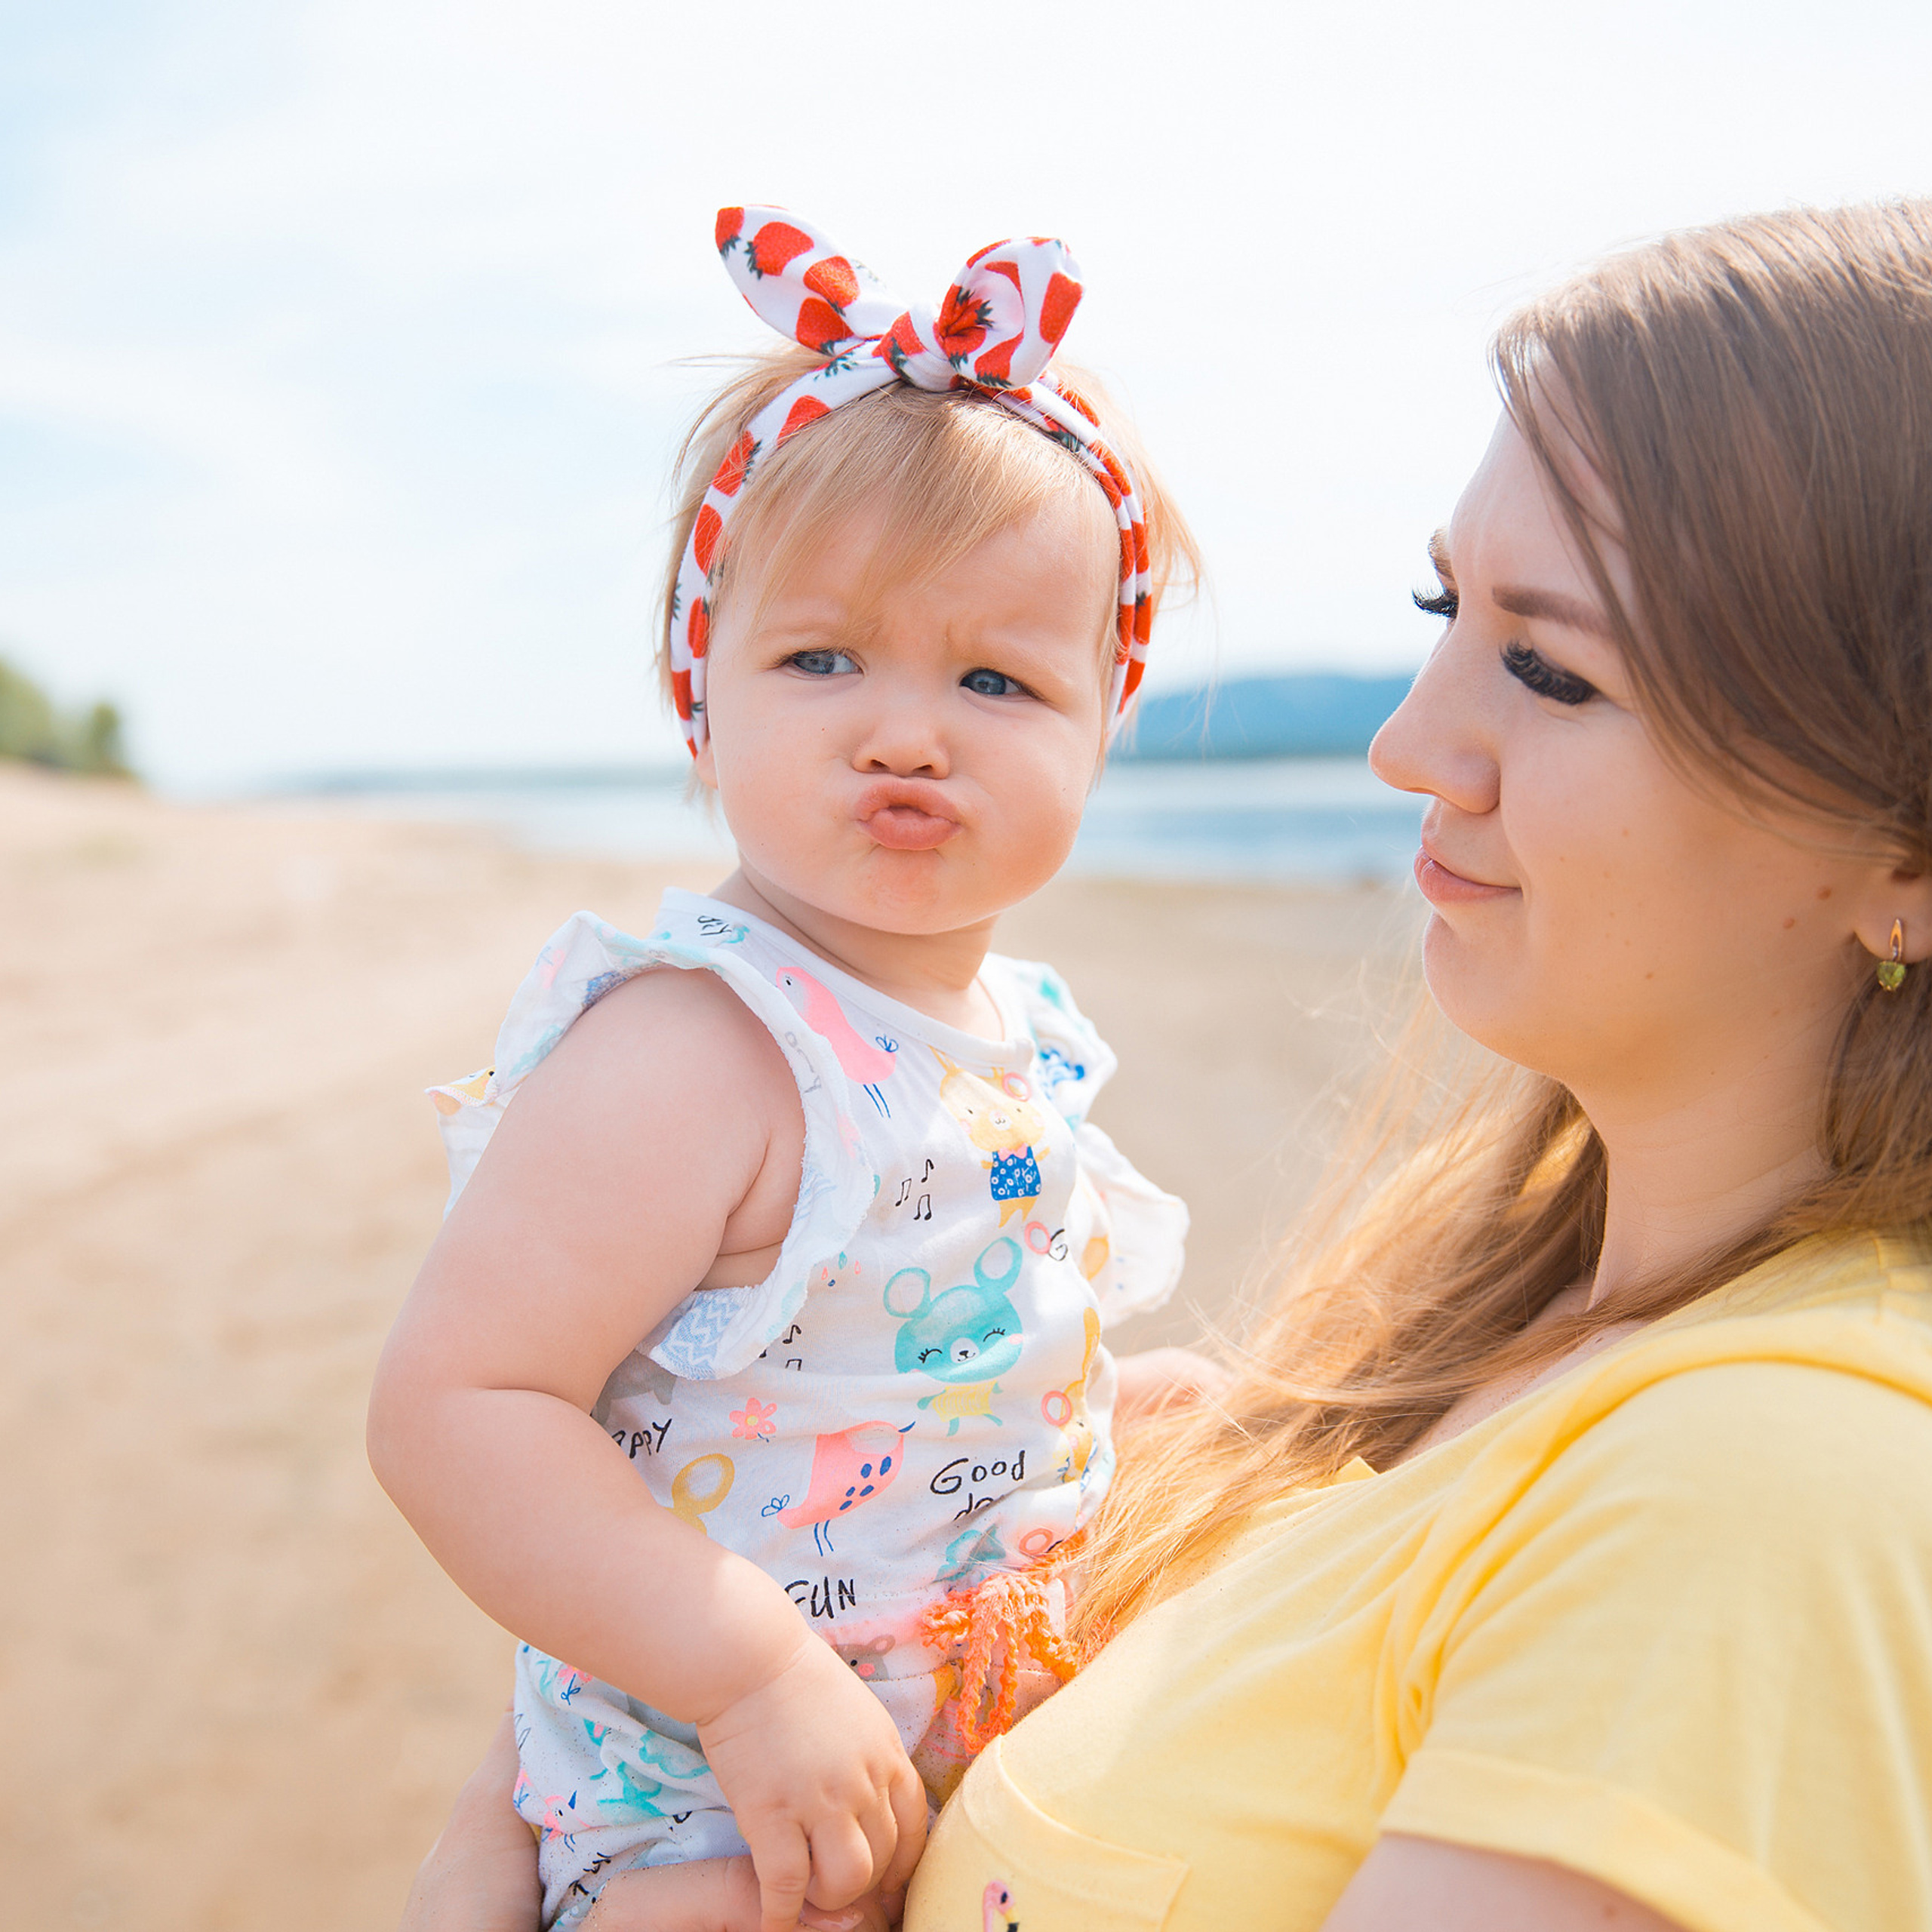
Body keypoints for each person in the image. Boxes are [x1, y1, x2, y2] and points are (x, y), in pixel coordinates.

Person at [405, 198, 1932, 1932]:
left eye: (1547, 666)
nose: (1402, 739)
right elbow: (518, 1398)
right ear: (705, 684)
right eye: (1441, 608)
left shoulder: (1764, 1491)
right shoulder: (1494, 1318)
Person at [366, 206, 1217, 1932]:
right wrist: (748, 1675)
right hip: (714, 1801)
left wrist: (1106, 1408)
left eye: (994, 676)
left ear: (1095, 727)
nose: (904, 726)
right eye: (820, 657)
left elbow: (923, 1356)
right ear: (703, 692)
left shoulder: (1017, 1030)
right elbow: (456, 1405)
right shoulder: (699, 1045)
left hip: (972, 1710)